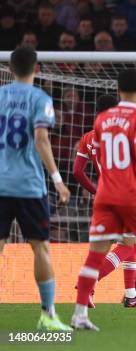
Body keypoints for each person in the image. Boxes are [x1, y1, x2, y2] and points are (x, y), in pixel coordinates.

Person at [71, 69, 136, 331]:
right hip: (134, 194)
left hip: (106, 194)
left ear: (118, 90)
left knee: (95, 256)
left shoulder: (102, 120)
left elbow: (94, 162)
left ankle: (80, 314)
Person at [0, 47, 72, 330]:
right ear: (37, 68)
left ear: (11, 68)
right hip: (30, 186)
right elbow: (41, 138)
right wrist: (57, 179)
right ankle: (48, 315)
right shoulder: (40, 98)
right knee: (40, 247)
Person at [72, 94, 136, 308]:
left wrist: (95, 191)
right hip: (126, 196)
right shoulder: (122, 136)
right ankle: (89, 283)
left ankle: (131, 295)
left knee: (131, 242)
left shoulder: (88, 138)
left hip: (105, 197)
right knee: (125, 245)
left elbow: (77, 172)